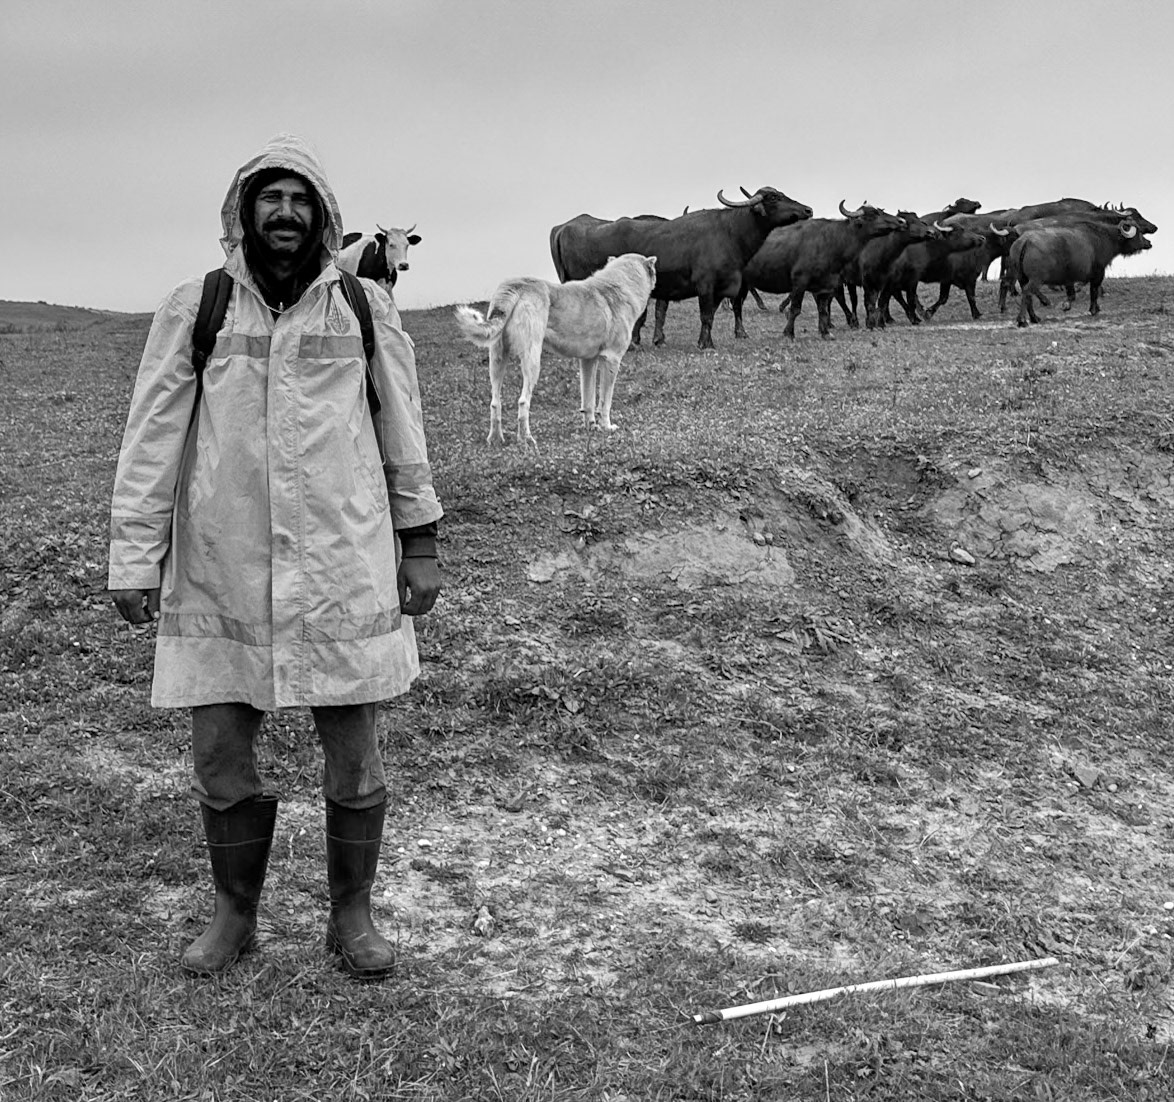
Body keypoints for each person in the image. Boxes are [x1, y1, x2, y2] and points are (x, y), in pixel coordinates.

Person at [108, 134, 443, 981]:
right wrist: (135, 556)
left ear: (323, 216)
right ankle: (234, 914)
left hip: (343, 562)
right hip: (224, 563)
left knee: (356, 757)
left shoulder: (364, 309)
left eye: (300, 200)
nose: (285, 213)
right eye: (271, 198)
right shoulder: (197, 308)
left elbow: (401, 427)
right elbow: (151, 438)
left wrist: (420, 538)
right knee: (220, 753)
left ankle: (352, 915)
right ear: (244, 212)